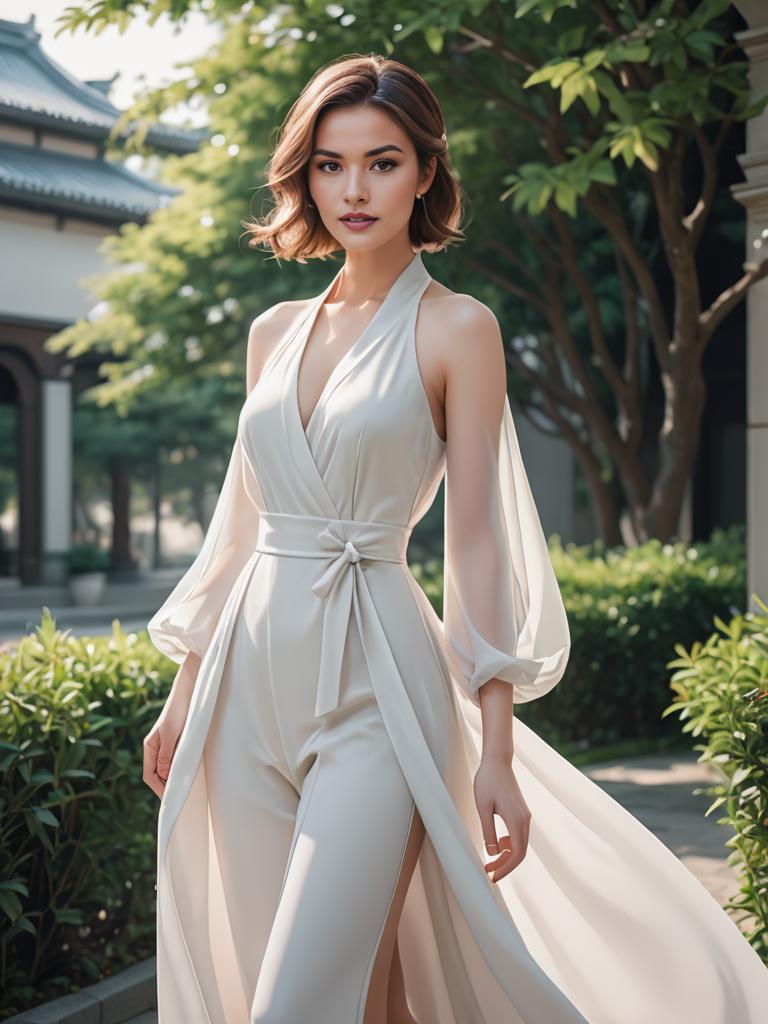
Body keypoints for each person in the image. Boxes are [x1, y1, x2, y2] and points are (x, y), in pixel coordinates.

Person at [142, 53, 768, 1024]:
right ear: (304, 175)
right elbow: (241, 522)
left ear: (426, 172)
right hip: (244, 689)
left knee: (298, 1005)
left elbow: (475, 545)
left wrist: (496, 749)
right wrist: (184, 695)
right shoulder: (272, 331)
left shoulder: (457, 329)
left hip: (378, 691)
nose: (354, 189)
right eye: (329, 164)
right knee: (336, 991)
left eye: (382, 162)